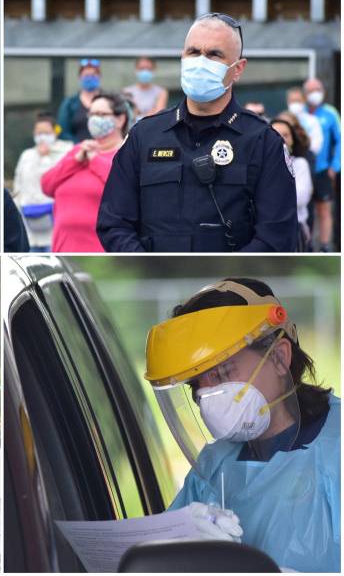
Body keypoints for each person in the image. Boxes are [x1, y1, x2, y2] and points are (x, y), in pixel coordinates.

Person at [144, 278, 339, 572]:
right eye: (196, 383)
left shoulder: (336, 450)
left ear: (278, 357)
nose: (205, 395)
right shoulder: (214, 464)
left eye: (222, 372)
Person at [97, 13, 297, 252]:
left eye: (214, 54)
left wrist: (221, 278)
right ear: (182, 57)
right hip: (152, 279)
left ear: (238, 69)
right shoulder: (144, 136)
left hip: (226, 281)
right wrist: (151, 268)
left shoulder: (263, 142)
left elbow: (277, 236)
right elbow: (114, 223)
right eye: (193, 52)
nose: (201, 62)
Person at [40, 92, 129, 252]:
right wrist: (75, 161)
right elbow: (47, 185)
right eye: (92, 114)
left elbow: (121, 187)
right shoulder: (77, 150)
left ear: (120, 119)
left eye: (101, 114)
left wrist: (95, 160)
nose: (95, 119)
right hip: (63, 249)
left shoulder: (127, 153)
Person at [11, 113, 73, 251]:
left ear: (55, 132)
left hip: (55, 221)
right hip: (28, 220)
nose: (42, 136)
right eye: (39, 133)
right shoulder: (27, 155)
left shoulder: (66, 152)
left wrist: (45, 158)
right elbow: (18, 184)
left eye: (46, 132)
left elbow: (54, 180)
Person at [303, 78, 341, 251]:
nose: (315, 93)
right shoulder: (299, 114)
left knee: (324, 209)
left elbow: (340, 140)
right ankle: (307, 244)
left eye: (318, 89)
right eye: (311, 90)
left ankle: (325, 245)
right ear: (305, 93)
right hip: (304, 171)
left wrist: (335, 166)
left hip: (323, 169)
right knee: (305, 211)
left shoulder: (330, 113)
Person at [270, 113, 314, 250]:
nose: (281, 138)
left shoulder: (300, 164)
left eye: (286, 134)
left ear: (293, 139)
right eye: (276, 134)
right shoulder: (260, 166)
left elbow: (300, 198)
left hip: (294, 228)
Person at [57, 58, 101, 142]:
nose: (90, 78)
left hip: (105, 150)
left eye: (93, 75)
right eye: (86, 75)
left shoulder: (108, 101)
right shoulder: (70, 103)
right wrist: (79, 146)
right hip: (77, 151)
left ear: (99, 76)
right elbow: (63, 132)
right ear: (80, 77)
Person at [123, 56, 168, 120]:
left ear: (154, 70)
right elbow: (128, 116)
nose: (145, 72)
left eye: (149, 69)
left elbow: (158, 115)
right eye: (141, 68)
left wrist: (138, 112)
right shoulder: (126, 91)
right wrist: (151, 111)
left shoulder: (161, 92)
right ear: (136, 70)